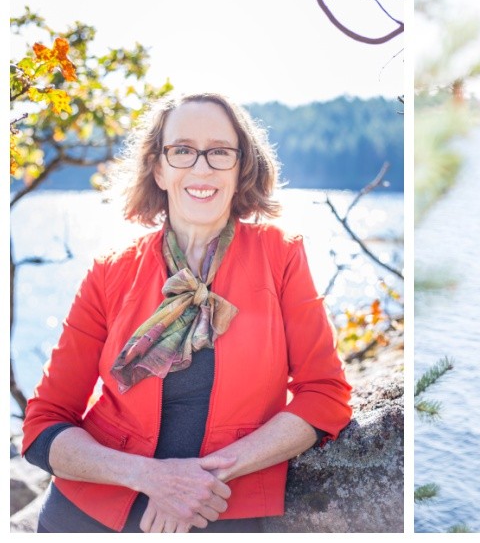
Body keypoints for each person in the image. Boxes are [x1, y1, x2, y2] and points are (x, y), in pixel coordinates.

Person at [21, 93, 352, 532]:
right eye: (182, 151)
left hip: (220, 505)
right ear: (158, 168)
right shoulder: (110, 269)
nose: (201, 168)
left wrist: (203, 478)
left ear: (241, 168)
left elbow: (325, 395)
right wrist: (150, 478)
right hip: (91, 510)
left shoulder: (281, 256)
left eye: (219, 152)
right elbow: (45, 423)